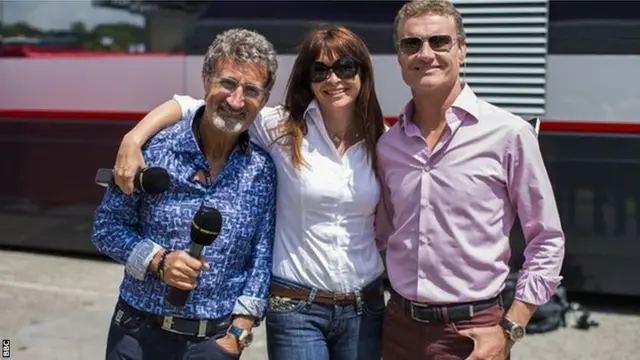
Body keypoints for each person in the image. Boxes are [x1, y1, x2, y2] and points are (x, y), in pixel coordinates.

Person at [110, 24, 387, 360]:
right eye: (320, 70)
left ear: (363, 72)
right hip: (297, 307)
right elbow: (196, 106)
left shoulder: (383, 140)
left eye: (345, 67)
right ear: (308, 78)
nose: (333, 79)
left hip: (364, 307)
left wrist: (238, 330)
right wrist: (133, 138)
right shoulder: (283, 130)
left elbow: (259, 250)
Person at [376, 1, 566, 360]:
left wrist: (512, 327)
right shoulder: (388, 146)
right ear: (400, 58)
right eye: (411, 44)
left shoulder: (508, 134)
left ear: (462, 49)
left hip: (474, 333)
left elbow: (547, 240)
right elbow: (380, 234)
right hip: (399, 329)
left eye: (439, 41)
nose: (425, 53)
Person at [91, 28, 278, 360]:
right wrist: (157, 261)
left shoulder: (261, 170)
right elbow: (106, 229)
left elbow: (260, 259)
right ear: (206, 81)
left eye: (251, 90)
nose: (236, 100)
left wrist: (239, 333)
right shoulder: (154, 147)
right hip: (137, 335)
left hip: (214, 344)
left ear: (263, 100)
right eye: (228, 83)